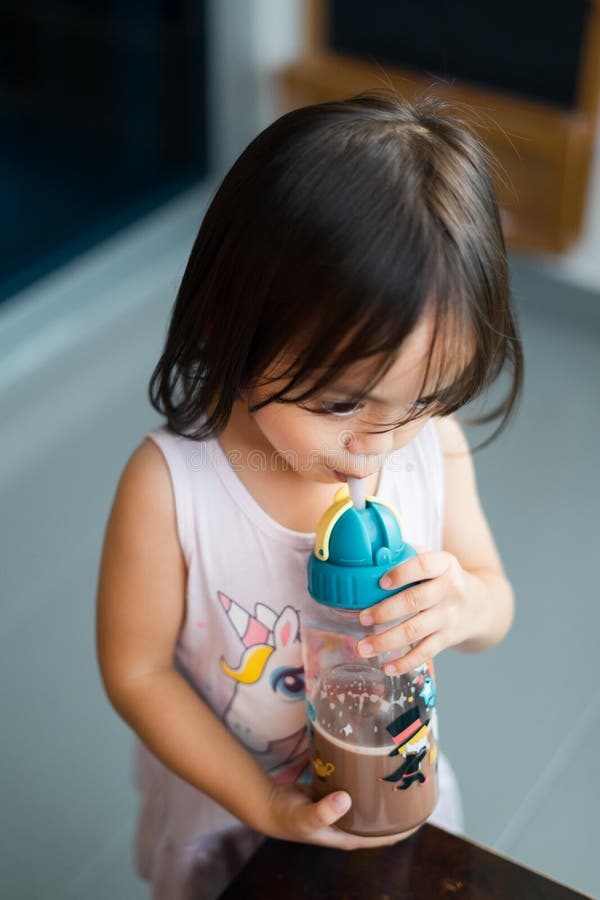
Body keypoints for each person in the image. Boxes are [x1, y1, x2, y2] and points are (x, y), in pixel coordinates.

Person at [96, 89, 523, 899]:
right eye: (341, 404)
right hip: (234, 807)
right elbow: (137, 671)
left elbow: (495, 603)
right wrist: (261, 801)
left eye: (423, 401)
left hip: (391, 775)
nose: (380, 444)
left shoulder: (431, 448)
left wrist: (463, 605)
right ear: (231, 325)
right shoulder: (171, 491)